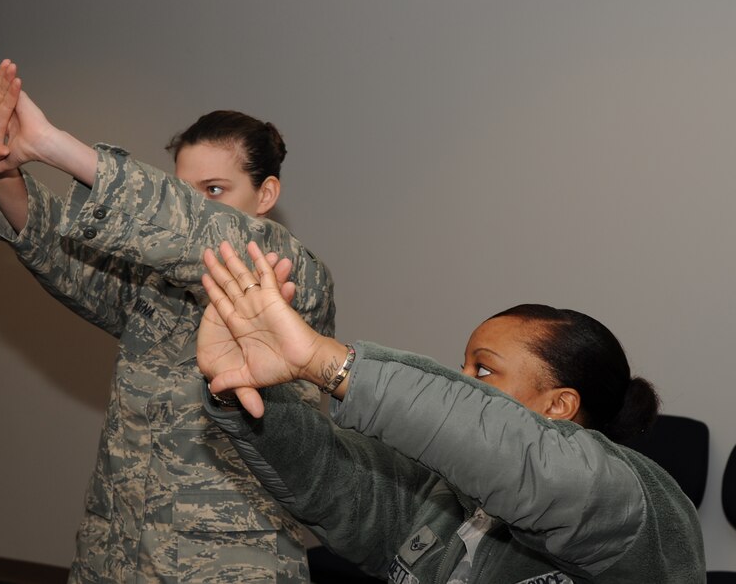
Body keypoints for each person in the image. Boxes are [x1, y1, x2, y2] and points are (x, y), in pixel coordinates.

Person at [0, 59, 335, 583]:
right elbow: (57, 253)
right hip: (119, 546)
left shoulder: (291, 276)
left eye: (214, 190)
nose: (194, 204)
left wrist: (55, 145)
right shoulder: (155, 288)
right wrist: (1, 168)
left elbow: (191, 230)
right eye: (182, 188)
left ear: (265, 195)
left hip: (228, 562)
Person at [195, 241, 706, 583]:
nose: (461, 383)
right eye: (461, 366)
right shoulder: (447, 500)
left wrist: (326, 363)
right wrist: (232, 388)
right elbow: (335, 480)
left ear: (559, 405)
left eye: (482, 371)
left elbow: (532, 466)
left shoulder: (632, 503)